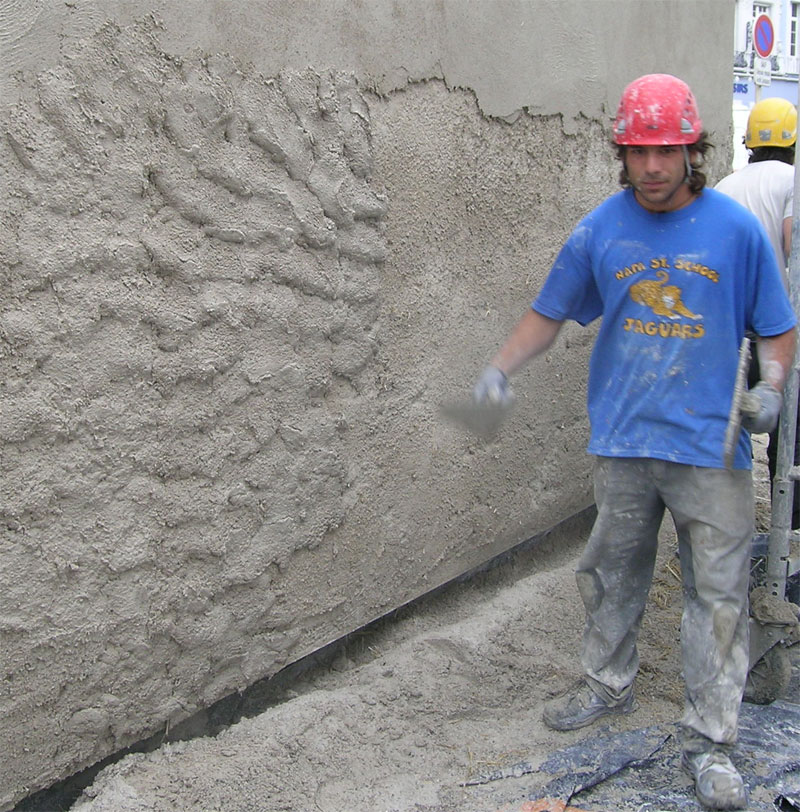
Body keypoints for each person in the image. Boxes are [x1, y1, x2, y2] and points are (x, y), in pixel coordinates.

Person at [472, 74, 797, 811]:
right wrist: (499, 367)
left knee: (716, 596)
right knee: (611, 572)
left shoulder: (737, 232)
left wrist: (771, 386)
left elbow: (777, 327)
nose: (652, 166)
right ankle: (607, 683)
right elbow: (548, 313)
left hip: (712, 451)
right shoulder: (600, 231)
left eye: (667, 150)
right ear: (622, 152)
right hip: (622, 441)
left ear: (693, 149)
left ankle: (711, 739)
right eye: (638, 150)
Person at [716, 97, 799, 528]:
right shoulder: (793, 181)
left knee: (735, 429)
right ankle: (790, 530)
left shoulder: (726, 186)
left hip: (732, 331)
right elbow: (792, 246)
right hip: (778, 330)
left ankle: (731, 523)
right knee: (788, 436)